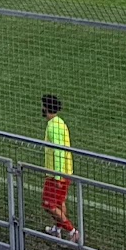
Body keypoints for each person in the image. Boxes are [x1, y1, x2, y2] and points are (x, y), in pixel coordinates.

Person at [42, 95, 79, 242]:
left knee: (48, 204)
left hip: (58, 174)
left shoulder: (53, 127)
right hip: (64, 172)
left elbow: (58, 152)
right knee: (59, 203)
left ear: (45, 108)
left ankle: (72, 231)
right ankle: (57, 230)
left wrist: (57, 176)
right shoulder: (59, 122)